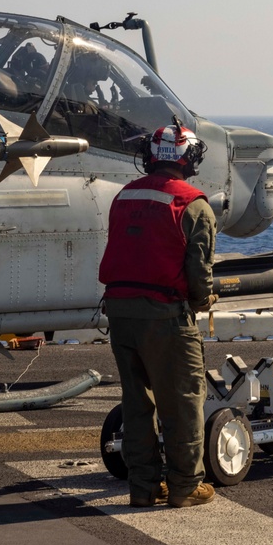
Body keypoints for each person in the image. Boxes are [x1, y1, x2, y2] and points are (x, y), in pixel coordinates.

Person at [99, 123, 219, 508]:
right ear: (189, 159)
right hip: (165, 317)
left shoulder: (124, 196)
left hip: (120, 313)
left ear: (151, 156)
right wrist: (204, 300)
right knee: (182, 402)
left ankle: (144, 486)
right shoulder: (194, 204)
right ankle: (185, 486)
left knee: (137, 403)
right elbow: (199, 276)